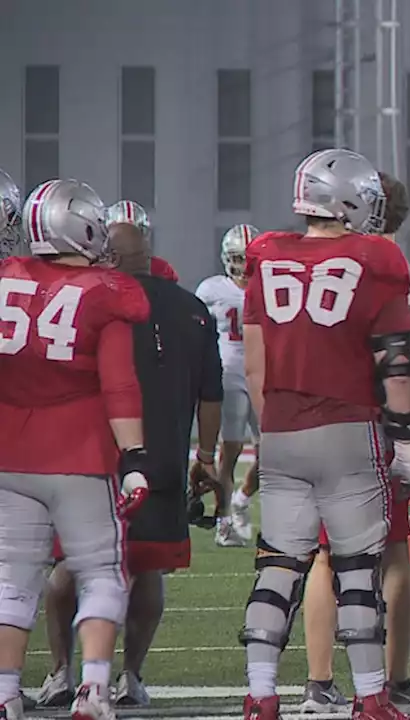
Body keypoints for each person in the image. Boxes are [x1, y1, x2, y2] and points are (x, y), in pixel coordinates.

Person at [238, 148, 410, 720]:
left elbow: (254, 367)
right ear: (351, 200)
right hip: (349, 428)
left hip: (282, 428)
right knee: (357, 566)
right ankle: (371, 695)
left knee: (278, 563)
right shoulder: (376, 259)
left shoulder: (265, 259)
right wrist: (409, 441)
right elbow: (396, 364)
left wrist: (278, 424)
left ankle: (261, 693)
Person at [40, 205, 224, 709]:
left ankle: (60, 672)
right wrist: (206, 456)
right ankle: (130, 676)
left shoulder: (94, 301)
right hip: (162, 458)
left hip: (92, 456)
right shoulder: (192, 308)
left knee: (67, 566)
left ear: (112, 255)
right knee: (145, 571)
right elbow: (213, 394)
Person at [0, 179, 153, 718]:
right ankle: (92, 686)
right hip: (81, 456)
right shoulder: (105, 291)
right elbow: (119, 385)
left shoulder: (5, 281)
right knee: (102, 572)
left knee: (12, 580)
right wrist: (134, 458)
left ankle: (4, 693)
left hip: (10, 455)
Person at [299, 172, 410, 717]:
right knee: (395, 552)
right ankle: (393, 678)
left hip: (320, 424)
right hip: (386, 428)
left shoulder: (306, 268)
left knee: (325, 553)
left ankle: (318, 682)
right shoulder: (407, 277)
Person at [194, 224, 260, 548]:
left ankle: (242, 498)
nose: (243, 266)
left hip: (263, 372)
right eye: (238, 258)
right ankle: (223, 521)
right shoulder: (212, 290)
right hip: (228, 374)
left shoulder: (269, 288)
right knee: (230, 452)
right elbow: (196, 332)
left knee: (272, 452)